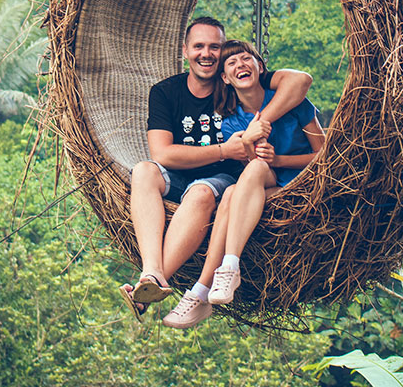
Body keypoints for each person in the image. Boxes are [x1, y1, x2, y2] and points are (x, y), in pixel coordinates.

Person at [120, 18, 312, 320]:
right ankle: (152, 272)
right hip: (178, 174)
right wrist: (225, 149)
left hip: (220, 178)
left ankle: (154, 284)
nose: (206, 53)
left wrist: (258, 124)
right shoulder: (166, 92)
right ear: (185, 51)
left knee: (200, 192)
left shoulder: (238, 84)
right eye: (199, 46)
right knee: (143, 170)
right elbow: (162, 153)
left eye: (215, 47)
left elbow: (299, 81)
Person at [162, 40, 325, 328]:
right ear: (224, 78)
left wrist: (280, 160)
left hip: (305, 186)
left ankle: (213, 279)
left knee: (239, 188)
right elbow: (251, 167)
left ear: (259, 66)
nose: (240, 65)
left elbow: (325, 156)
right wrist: (250, 140)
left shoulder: (294, 102)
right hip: (267, 189)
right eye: (232, 63)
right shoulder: (230, 122)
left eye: (245, 58)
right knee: (234, 190)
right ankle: (215, 280)